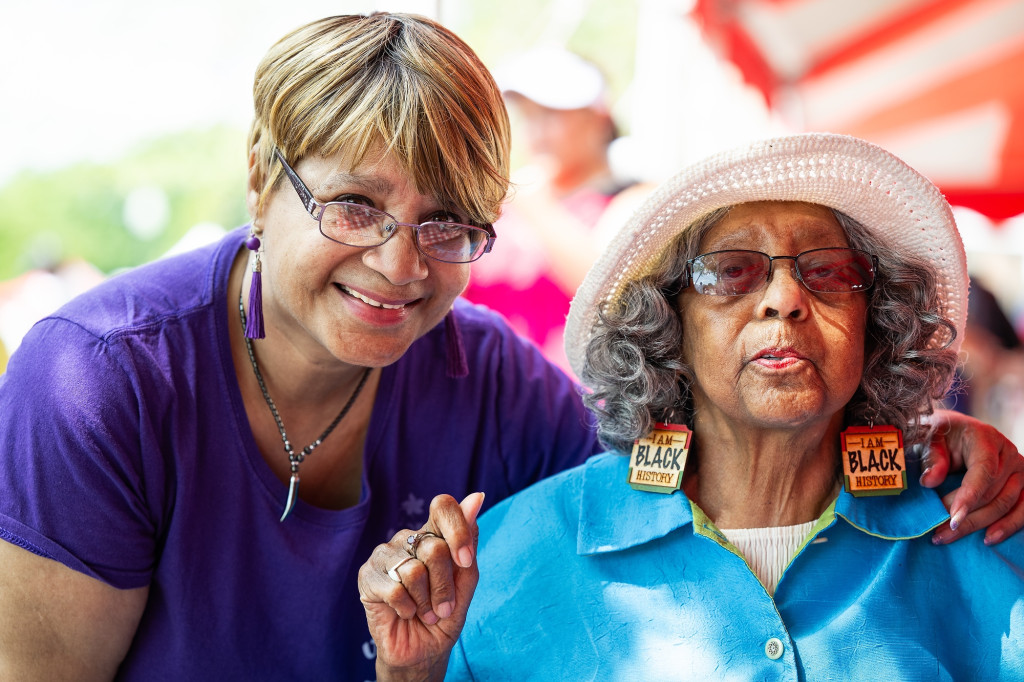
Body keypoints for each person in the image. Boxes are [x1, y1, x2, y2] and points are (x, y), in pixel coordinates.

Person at [0, 16, 1017, 680]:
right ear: (263, 180)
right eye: (356, 204)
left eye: (446, 223)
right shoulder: (97, 376)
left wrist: (918, 436)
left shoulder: (489, 382)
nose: (400, 263)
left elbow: (678, 450)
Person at [362, 133, 1024, 680]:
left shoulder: (986, 534)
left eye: (826, 272)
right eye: (731, 272)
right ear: (667, 326)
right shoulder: (503, 563)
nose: (785, 299)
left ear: (873, 326)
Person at [462, 46, 652, 375]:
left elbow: (609, 294)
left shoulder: (633, 199)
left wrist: (537, 205)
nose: (536, 130)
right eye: (528, 116)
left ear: (598, 118)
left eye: (550, 115)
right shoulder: (509, 205)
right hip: (487, 395)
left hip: (573, 404)